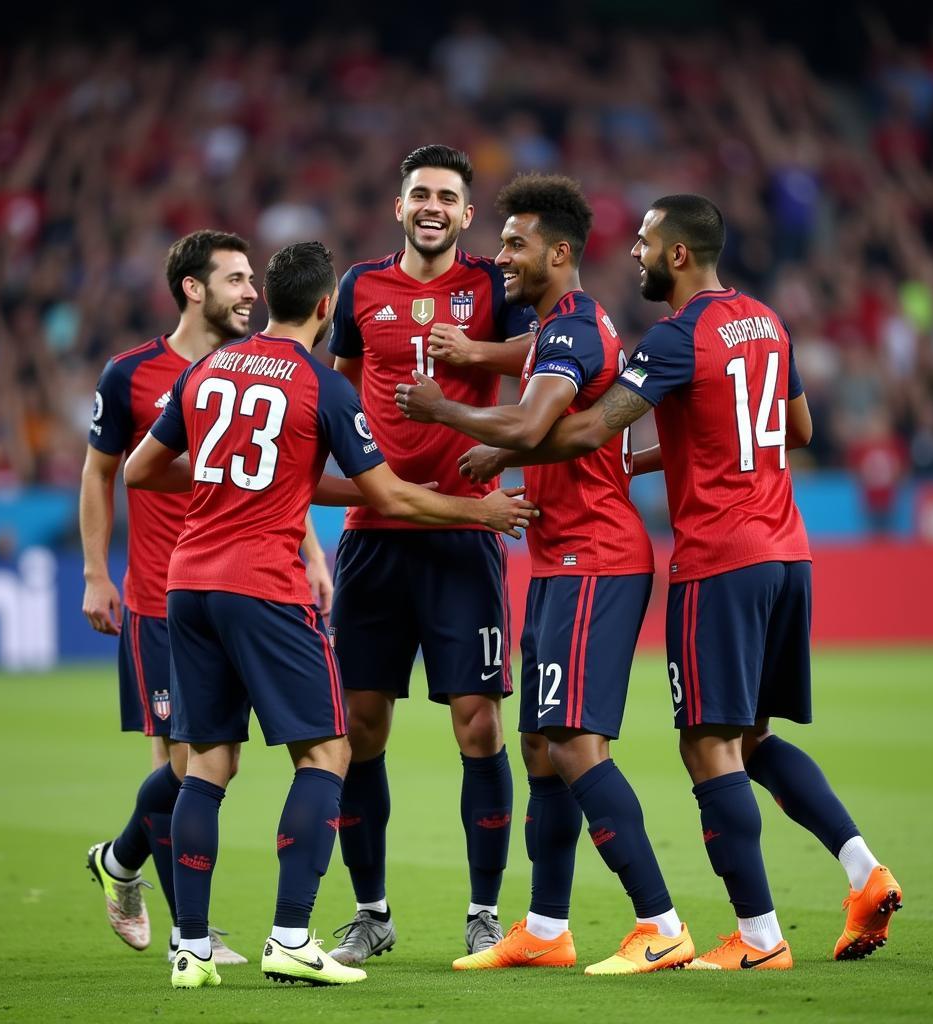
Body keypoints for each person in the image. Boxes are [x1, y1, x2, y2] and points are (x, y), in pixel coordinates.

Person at [461, 194, 902, 970]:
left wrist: (501, 447)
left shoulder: (676, 336)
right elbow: (793, 430)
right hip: (787, 549)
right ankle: (863, 869)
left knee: (707, 745)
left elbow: (594, 426)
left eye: (643, 241)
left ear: (677, 255)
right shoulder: (766, 321)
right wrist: (650, 457)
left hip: (719, 556)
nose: (631, 252)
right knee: (755, 738)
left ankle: (758, 939)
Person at [122, 240, 538, 989]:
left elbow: (139, 469)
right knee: (327, 755)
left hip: (185, 584)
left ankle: (188, 949)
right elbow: (392, 497)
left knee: (208, 765)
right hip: (264, 586)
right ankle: (289, 936)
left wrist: (227, 480)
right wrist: (479, 512)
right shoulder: (322, 387)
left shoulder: (205, 369)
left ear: (269, 301)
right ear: (325, 309)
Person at [397, 173, 693, 975]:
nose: (502, 255)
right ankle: (547, 928)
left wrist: (448, 409)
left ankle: (660, 923)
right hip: (560, 558)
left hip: (595, 558)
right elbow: (535, 391)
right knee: (536, 742)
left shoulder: (571, 332)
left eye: (518, 244)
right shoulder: (561, 326)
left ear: (560, 253)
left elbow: (533, 418)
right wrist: (493, 406)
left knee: (572, 741)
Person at [81, 229, 332, 965]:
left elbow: (279, 474)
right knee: (190, 767)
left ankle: (121, 860)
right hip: (162, 596)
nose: (252, 292)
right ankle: (192, 937)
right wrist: (97, 572)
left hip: (245, 581)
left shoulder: (254, 370)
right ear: (193, 288)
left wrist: (309, 551)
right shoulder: (130, 374)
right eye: (236, 280)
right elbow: (102, 474)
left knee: (207, 766)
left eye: (255, 279)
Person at [326, 144, 537, 964]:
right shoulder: (360, 288)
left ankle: (485, 912)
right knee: (360, 728)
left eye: (447, 196)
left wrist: (476, 362)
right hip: (375, 541)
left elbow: (548, 355)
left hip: (464, 534)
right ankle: (371, 913)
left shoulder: (493, 285)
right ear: (399, 204)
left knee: (478, 725)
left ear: (467, 213)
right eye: (420, 193)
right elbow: (339, 388)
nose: (432, 207)